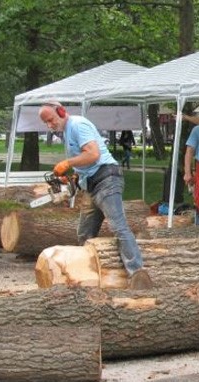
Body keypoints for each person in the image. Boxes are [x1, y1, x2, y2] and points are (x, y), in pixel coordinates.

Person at [38, 101, 153, 290]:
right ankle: (86, 272)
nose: (50, 125)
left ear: (61, 111)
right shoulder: (67, 131)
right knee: (84, 232)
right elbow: (85, 161)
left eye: (50, 120)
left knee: (118, 226)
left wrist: (67, 163)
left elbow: (93, 154)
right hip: (92, 184)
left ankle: (137, 273)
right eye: (46, 123)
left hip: (106, 179)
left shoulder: (77, 124)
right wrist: (75, 176)